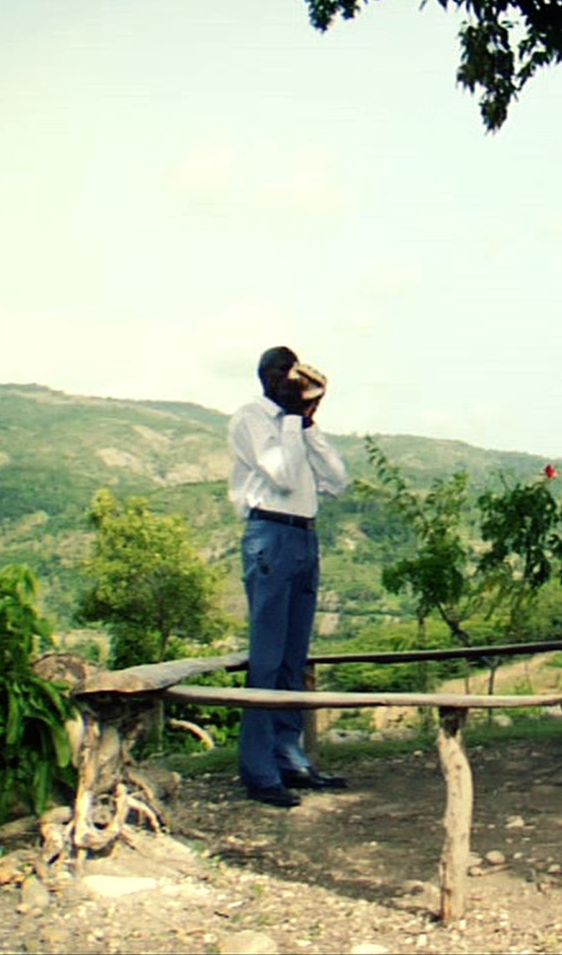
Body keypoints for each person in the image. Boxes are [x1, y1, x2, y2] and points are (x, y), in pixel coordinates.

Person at [228, 346, 351, 807]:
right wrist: (293, 420)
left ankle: (289, 757)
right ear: (266, 378)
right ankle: (260, 770)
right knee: (266, 657)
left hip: (304, 536)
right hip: (270, 533)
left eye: (297, 371)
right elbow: (281, 475)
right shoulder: (252, 418)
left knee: (292, 658)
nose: (292, 379)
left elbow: (337, 481)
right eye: (284, 372)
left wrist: (309, 423)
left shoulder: (296, 424)